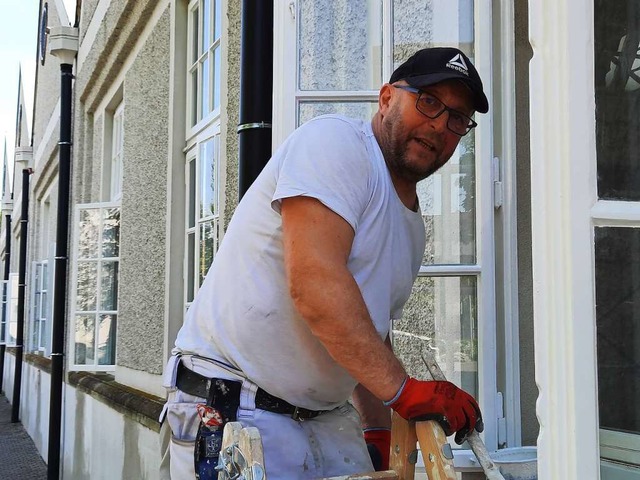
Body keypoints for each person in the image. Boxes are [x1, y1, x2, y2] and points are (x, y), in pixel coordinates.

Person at [160, 46, 489, 479]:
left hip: (325, 417)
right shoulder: (335, 144)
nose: (439, 125)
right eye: (428, 101)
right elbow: (315, 285)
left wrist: (377, 428)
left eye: (457, 118)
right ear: (387, 98)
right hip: (234, 402)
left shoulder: (411, 228)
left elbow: (370, 333)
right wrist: (403, 391)